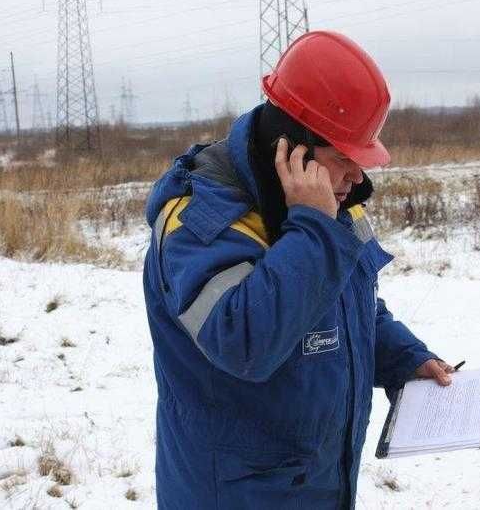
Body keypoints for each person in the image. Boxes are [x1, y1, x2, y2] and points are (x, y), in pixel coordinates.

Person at [142, 30, 453, 509]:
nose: (358, 176)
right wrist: (312, 229)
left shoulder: (332, 209)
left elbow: (351, 306)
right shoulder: (198, 220)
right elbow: (244, 342)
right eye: (344, 159)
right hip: (232, 494)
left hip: (319, 484)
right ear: (292, 150)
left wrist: (402, 358)